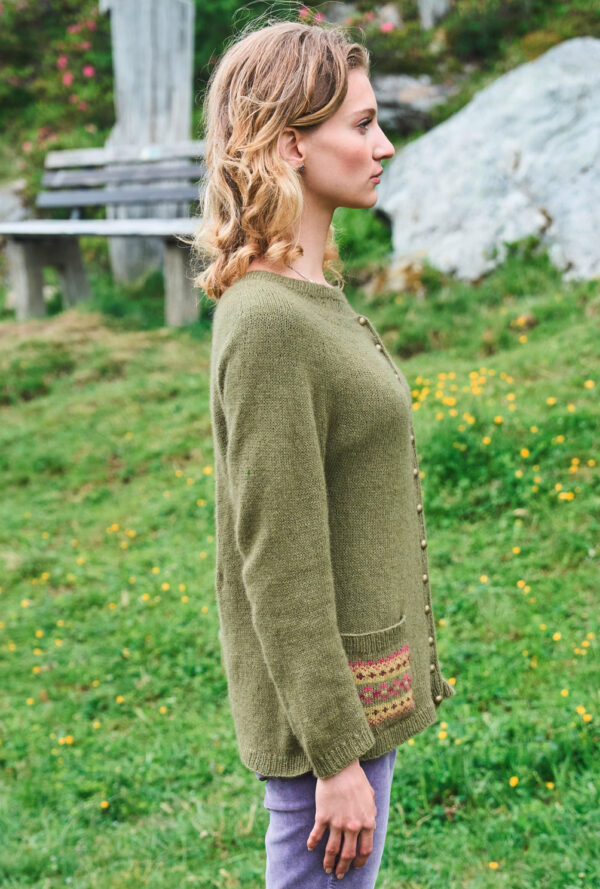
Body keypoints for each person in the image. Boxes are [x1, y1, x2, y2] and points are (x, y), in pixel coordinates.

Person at [188, 17, 457, 888]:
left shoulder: (308, 293)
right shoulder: (268, 321)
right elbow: (279, 560)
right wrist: (336, 756)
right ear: (290, 144)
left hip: (353, 699)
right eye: (362, 124)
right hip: (327, 727)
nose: (383, 145)